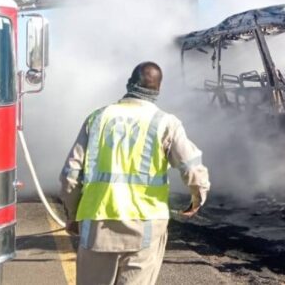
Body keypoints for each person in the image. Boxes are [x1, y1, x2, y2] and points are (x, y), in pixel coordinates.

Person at [59, 61, 210, 285]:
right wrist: (198, 197)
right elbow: (190, 166)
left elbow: (70, 175)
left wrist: (73, 215)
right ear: (158, 90)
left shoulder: (97, 118)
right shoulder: (166, 123)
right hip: (145, 228)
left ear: (129, 84)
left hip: (97, 226)